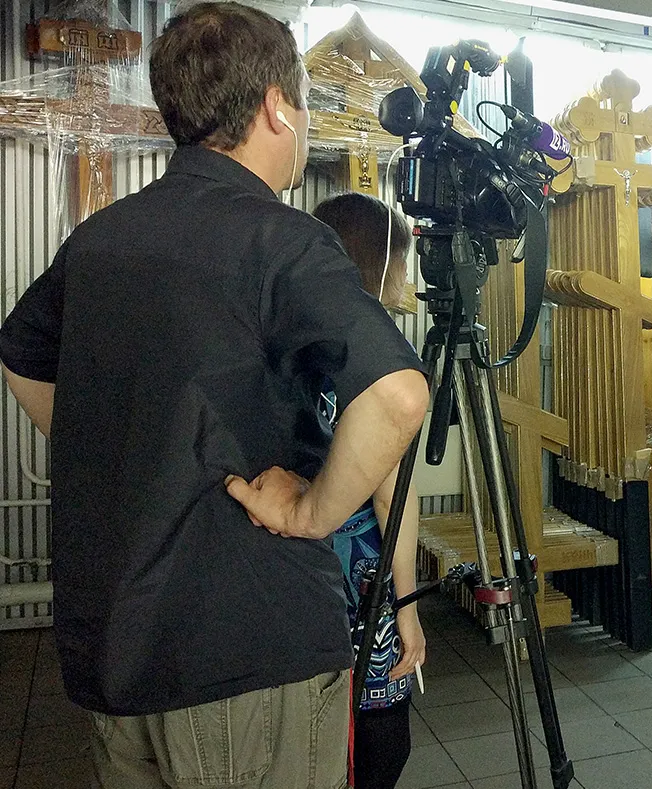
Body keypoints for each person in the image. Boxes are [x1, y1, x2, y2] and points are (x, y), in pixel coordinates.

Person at [0, 3, 429, 788]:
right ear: (275, 106)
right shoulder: (282, 236)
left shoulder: (100, 238)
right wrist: (313, 512)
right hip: (244, 646)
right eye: (302, 103)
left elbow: (22, 356)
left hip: (114, 647)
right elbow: (398, 394)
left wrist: (121, 450)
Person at [313, 192, 423, 789]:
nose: (408, 275)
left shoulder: (290, 340)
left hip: (291, 573)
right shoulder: (374, 355)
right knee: (379, 746)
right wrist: (407, 608)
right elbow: (391, 496)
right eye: (402, 260)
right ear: (378, 263)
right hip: (361, 579)